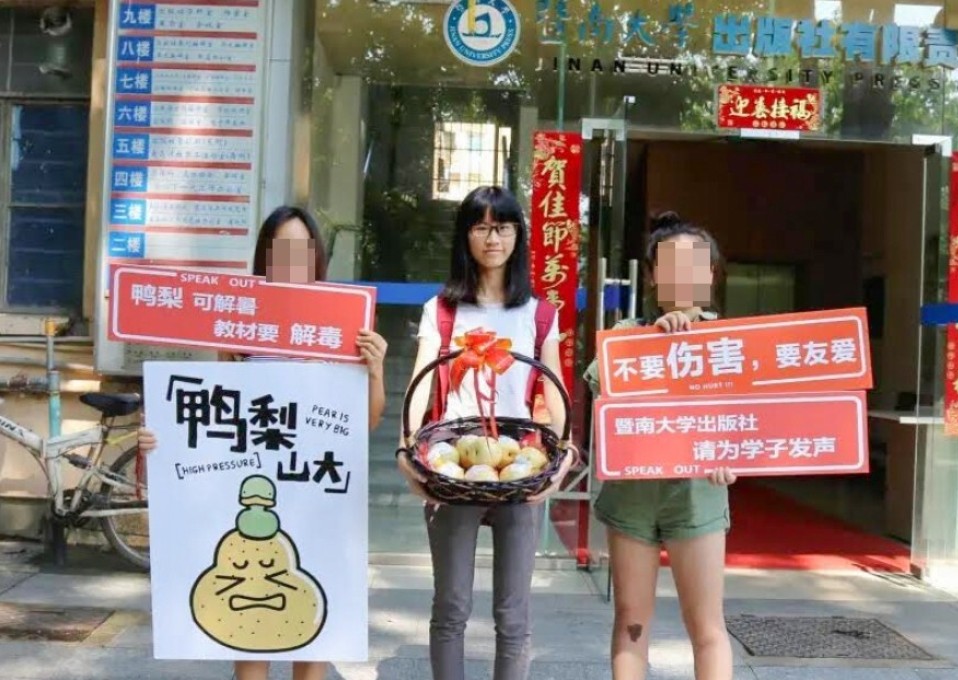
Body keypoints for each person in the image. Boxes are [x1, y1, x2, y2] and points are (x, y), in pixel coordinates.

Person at [138, 205, 388, 680]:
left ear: (317, 257)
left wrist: (374, 370)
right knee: (250, 624)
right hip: (253, 492)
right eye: (280, 250)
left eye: (301, 250)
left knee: (313, 624)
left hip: (317, 495)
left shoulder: (342, 323)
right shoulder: (241, 327)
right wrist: (163, 438)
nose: (291, 261)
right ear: (264, 258)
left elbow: (367, 421)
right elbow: (212, 416)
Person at [396, 186, 576, 680]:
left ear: (517, 235)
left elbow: (555, 391)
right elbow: (422, 382)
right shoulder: (442, 310)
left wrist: (563, 455)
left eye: (502, 227)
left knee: (513, 615)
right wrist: (407, 448)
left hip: (518, 467)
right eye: (480, 227)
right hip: (453, 466)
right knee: (451, 606)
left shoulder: (539, 313)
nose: (492, 238)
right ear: (465, 236)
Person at [584, 212, 737, 680]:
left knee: (707, 626)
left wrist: (731, 457)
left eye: (696, 265)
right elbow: (602, 397)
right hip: (632, 495)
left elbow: (747, 422)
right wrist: (653, 340)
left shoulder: (732, 344)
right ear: (651, 275)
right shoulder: (626, 335)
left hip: (698, 494)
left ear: (711, 274)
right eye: (670, 266)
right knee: (631, 622)